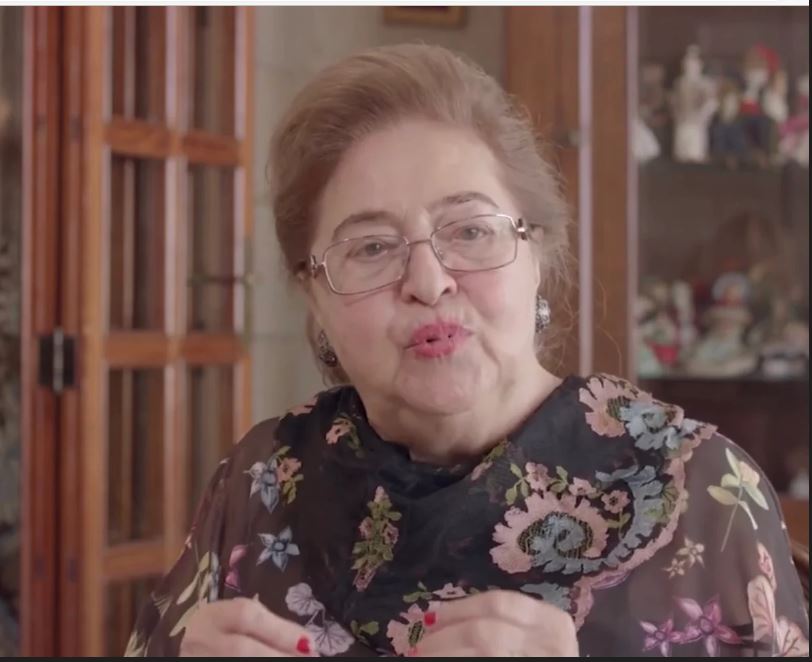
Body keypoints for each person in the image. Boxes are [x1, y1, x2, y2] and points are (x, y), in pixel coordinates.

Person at [125, 44, 808, 658]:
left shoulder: (703, 495)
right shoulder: (263, 482)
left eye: (471, 231)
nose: (428, 282)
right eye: (371, 247)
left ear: (537, 251)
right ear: (314, 294)